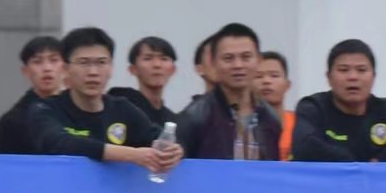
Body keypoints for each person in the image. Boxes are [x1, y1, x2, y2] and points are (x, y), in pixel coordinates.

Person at [29, 27, 185, 176]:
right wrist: (130, 155)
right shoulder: (46, 109)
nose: (93, 72)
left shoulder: (122, 108)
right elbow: (59, 143)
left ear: (111, 68)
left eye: (101, 62)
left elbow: (156, 136)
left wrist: (174, 151)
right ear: (65, 69)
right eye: (83, 63)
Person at [292, 39, 386, 164]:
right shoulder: (313, 107)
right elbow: (305, 147)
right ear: (329, 77)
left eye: (361, 70)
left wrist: (383, 159)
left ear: (373, 76)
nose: (353, 77)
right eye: (343, 70)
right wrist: (359, 164)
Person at [177, 23, 282, 161]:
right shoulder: (195, 116)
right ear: (214, 63)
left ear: (259, 60)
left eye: (246, 57)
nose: (238, 65)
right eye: (228, 58)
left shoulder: (270, 118)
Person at [0, 35, 66, 155]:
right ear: (25, 71)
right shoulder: (13, 121)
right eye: (37, 62)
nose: (47, 68)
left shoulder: (79, 110)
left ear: (65, 67)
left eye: (54, 60)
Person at [108, 36, 178, 126]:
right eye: (147, 58)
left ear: (173, 70)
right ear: (133, 69)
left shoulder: (173, 120)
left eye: (164, 59)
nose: (157, 65)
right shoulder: (119, 108)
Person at [255, 50, 294, 159]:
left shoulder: (300, 123)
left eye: (274, 75)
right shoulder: (242, 126)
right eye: (258, 76)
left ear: (288, 85)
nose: (266, 81)